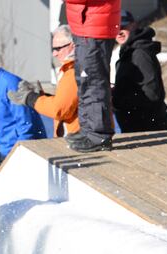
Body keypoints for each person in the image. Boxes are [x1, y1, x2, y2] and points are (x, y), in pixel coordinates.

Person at [66, 0, 120, 153]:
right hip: (87, 25)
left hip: (94, 26)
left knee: (93, 82)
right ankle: (88, 130)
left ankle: (98, 135)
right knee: (85, 81)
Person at [7, 25, 80, 138]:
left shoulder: (73, 71)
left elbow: (59, 110)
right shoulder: (72, 69)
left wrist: (31, 98)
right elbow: (68, 102)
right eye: (53, 49)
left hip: (77, 137)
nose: (54, 54)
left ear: (73, 45)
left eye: (58, 48)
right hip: (75, 136)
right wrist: (42, 96)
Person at [0, 51, 46, 161]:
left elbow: (25, 123)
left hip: (24, 150)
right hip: (5, 150)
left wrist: (20, 153)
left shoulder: (9, 83)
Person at [112, 10, 167, 133]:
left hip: (149, 126)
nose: (119, 32)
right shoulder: (129, 51)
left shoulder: (140, 53)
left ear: (133, 25)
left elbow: (152, 94)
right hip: (138, 124)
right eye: (114, 28)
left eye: (123, 26)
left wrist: (118, 100)